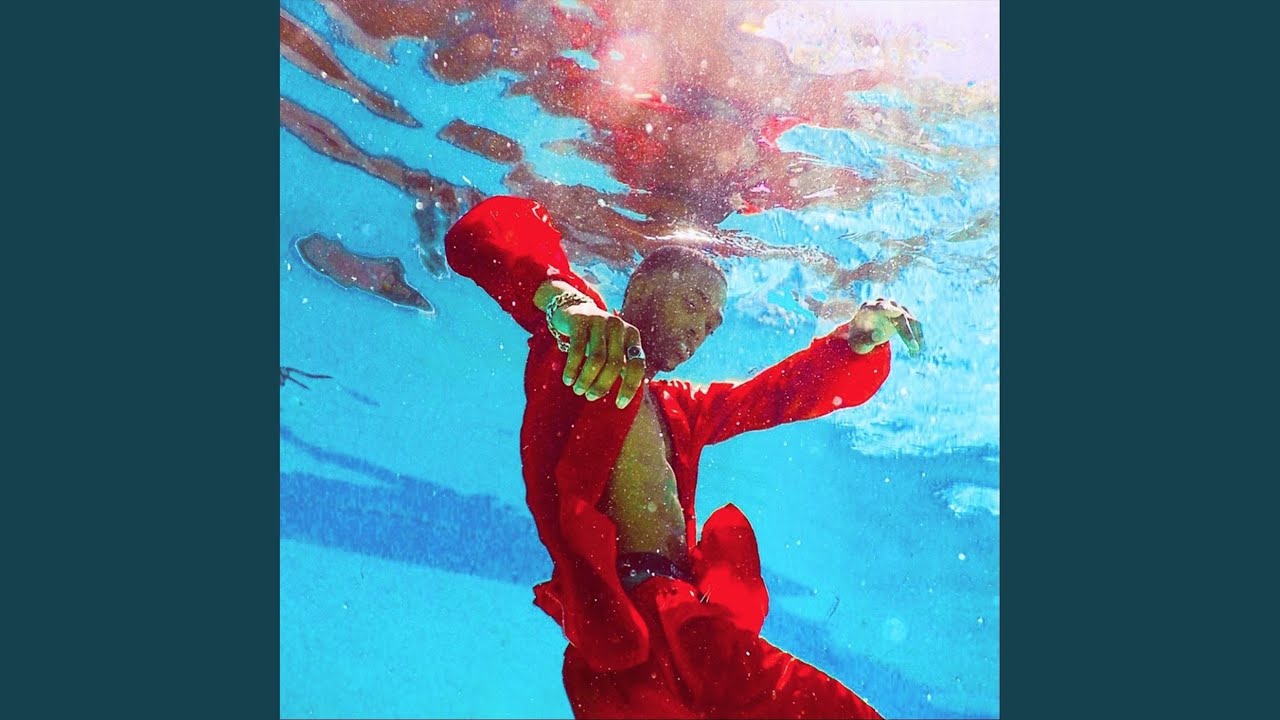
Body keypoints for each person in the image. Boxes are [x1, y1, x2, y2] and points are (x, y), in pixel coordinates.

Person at [445, 196, 922, 719]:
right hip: (637, 629)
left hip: (662, 636)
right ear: (641, 286)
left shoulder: (677, 408)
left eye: (712, 325)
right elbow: (484, 231)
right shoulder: (578, 350)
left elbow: (774, 396)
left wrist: (853, 344)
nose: (700, 331)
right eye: (693, 305)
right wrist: (563, 300)